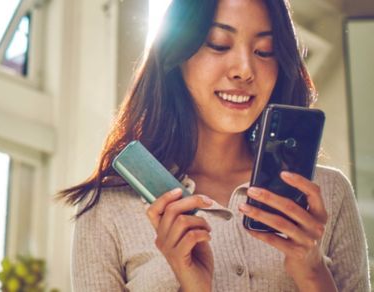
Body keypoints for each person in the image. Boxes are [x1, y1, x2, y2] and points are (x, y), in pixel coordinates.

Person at [59, 0, 371, 291]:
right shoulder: (107, 210)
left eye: (265, 50)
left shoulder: (327, 193)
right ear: (177, 54)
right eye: (219, 45)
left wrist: (313, 270)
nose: (245, 70)